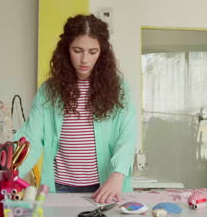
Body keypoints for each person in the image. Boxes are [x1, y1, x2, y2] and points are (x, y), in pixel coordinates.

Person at [14, 14, 136, 203]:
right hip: (60, 187)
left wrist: (118, 173)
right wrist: (9, 172)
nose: (85, 59)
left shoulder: (119, 89)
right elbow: (31, 138)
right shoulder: (48, 91)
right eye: (77, 50)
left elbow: (127, 136)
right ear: (66, 50)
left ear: (102, 52)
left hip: (106, 186)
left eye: (93, 52)